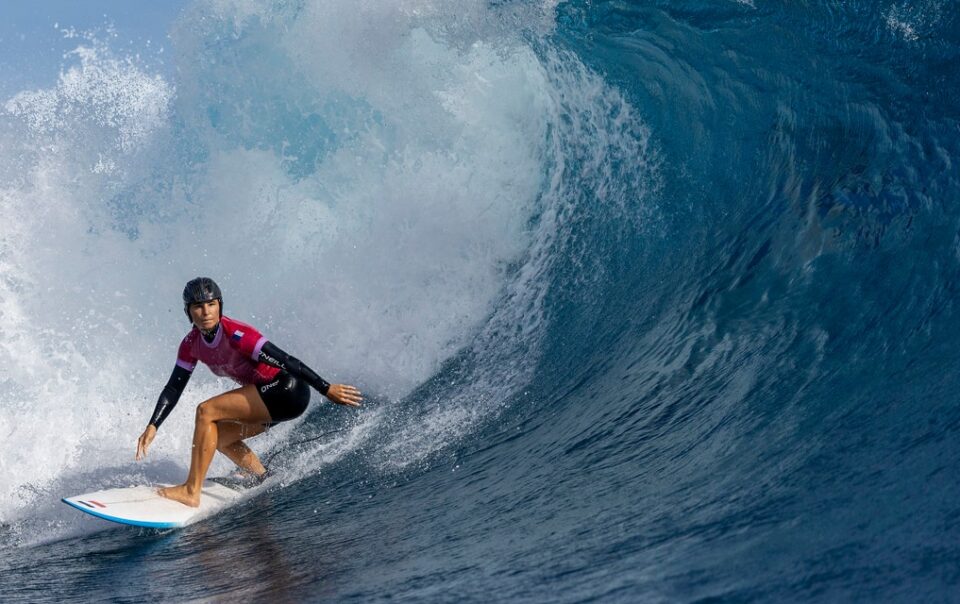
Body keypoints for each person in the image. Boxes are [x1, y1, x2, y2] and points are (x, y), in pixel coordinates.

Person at [135, 277, 362, 507]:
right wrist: (153, 425)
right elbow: (174, 386)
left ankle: (191, 491)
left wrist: (325, 388)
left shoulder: (237, 334)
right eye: (198, 306)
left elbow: (286, 360)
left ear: (220, 305)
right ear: (188, 311)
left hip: (286, 390)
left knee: (206, 411)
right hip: (269, 399)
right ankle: (261, 476)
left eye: (211, 304)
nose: (206, 311)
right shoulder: (190, 344)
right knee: (219, 438)